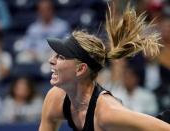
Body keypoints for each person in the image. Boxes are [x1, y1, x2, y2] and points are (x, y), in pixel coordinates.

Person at [39, 3, 170, 131]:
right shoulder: (56, 98)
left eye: (61, 57)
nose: (51, 60)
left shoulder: (107, 113)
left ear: (80, 69)